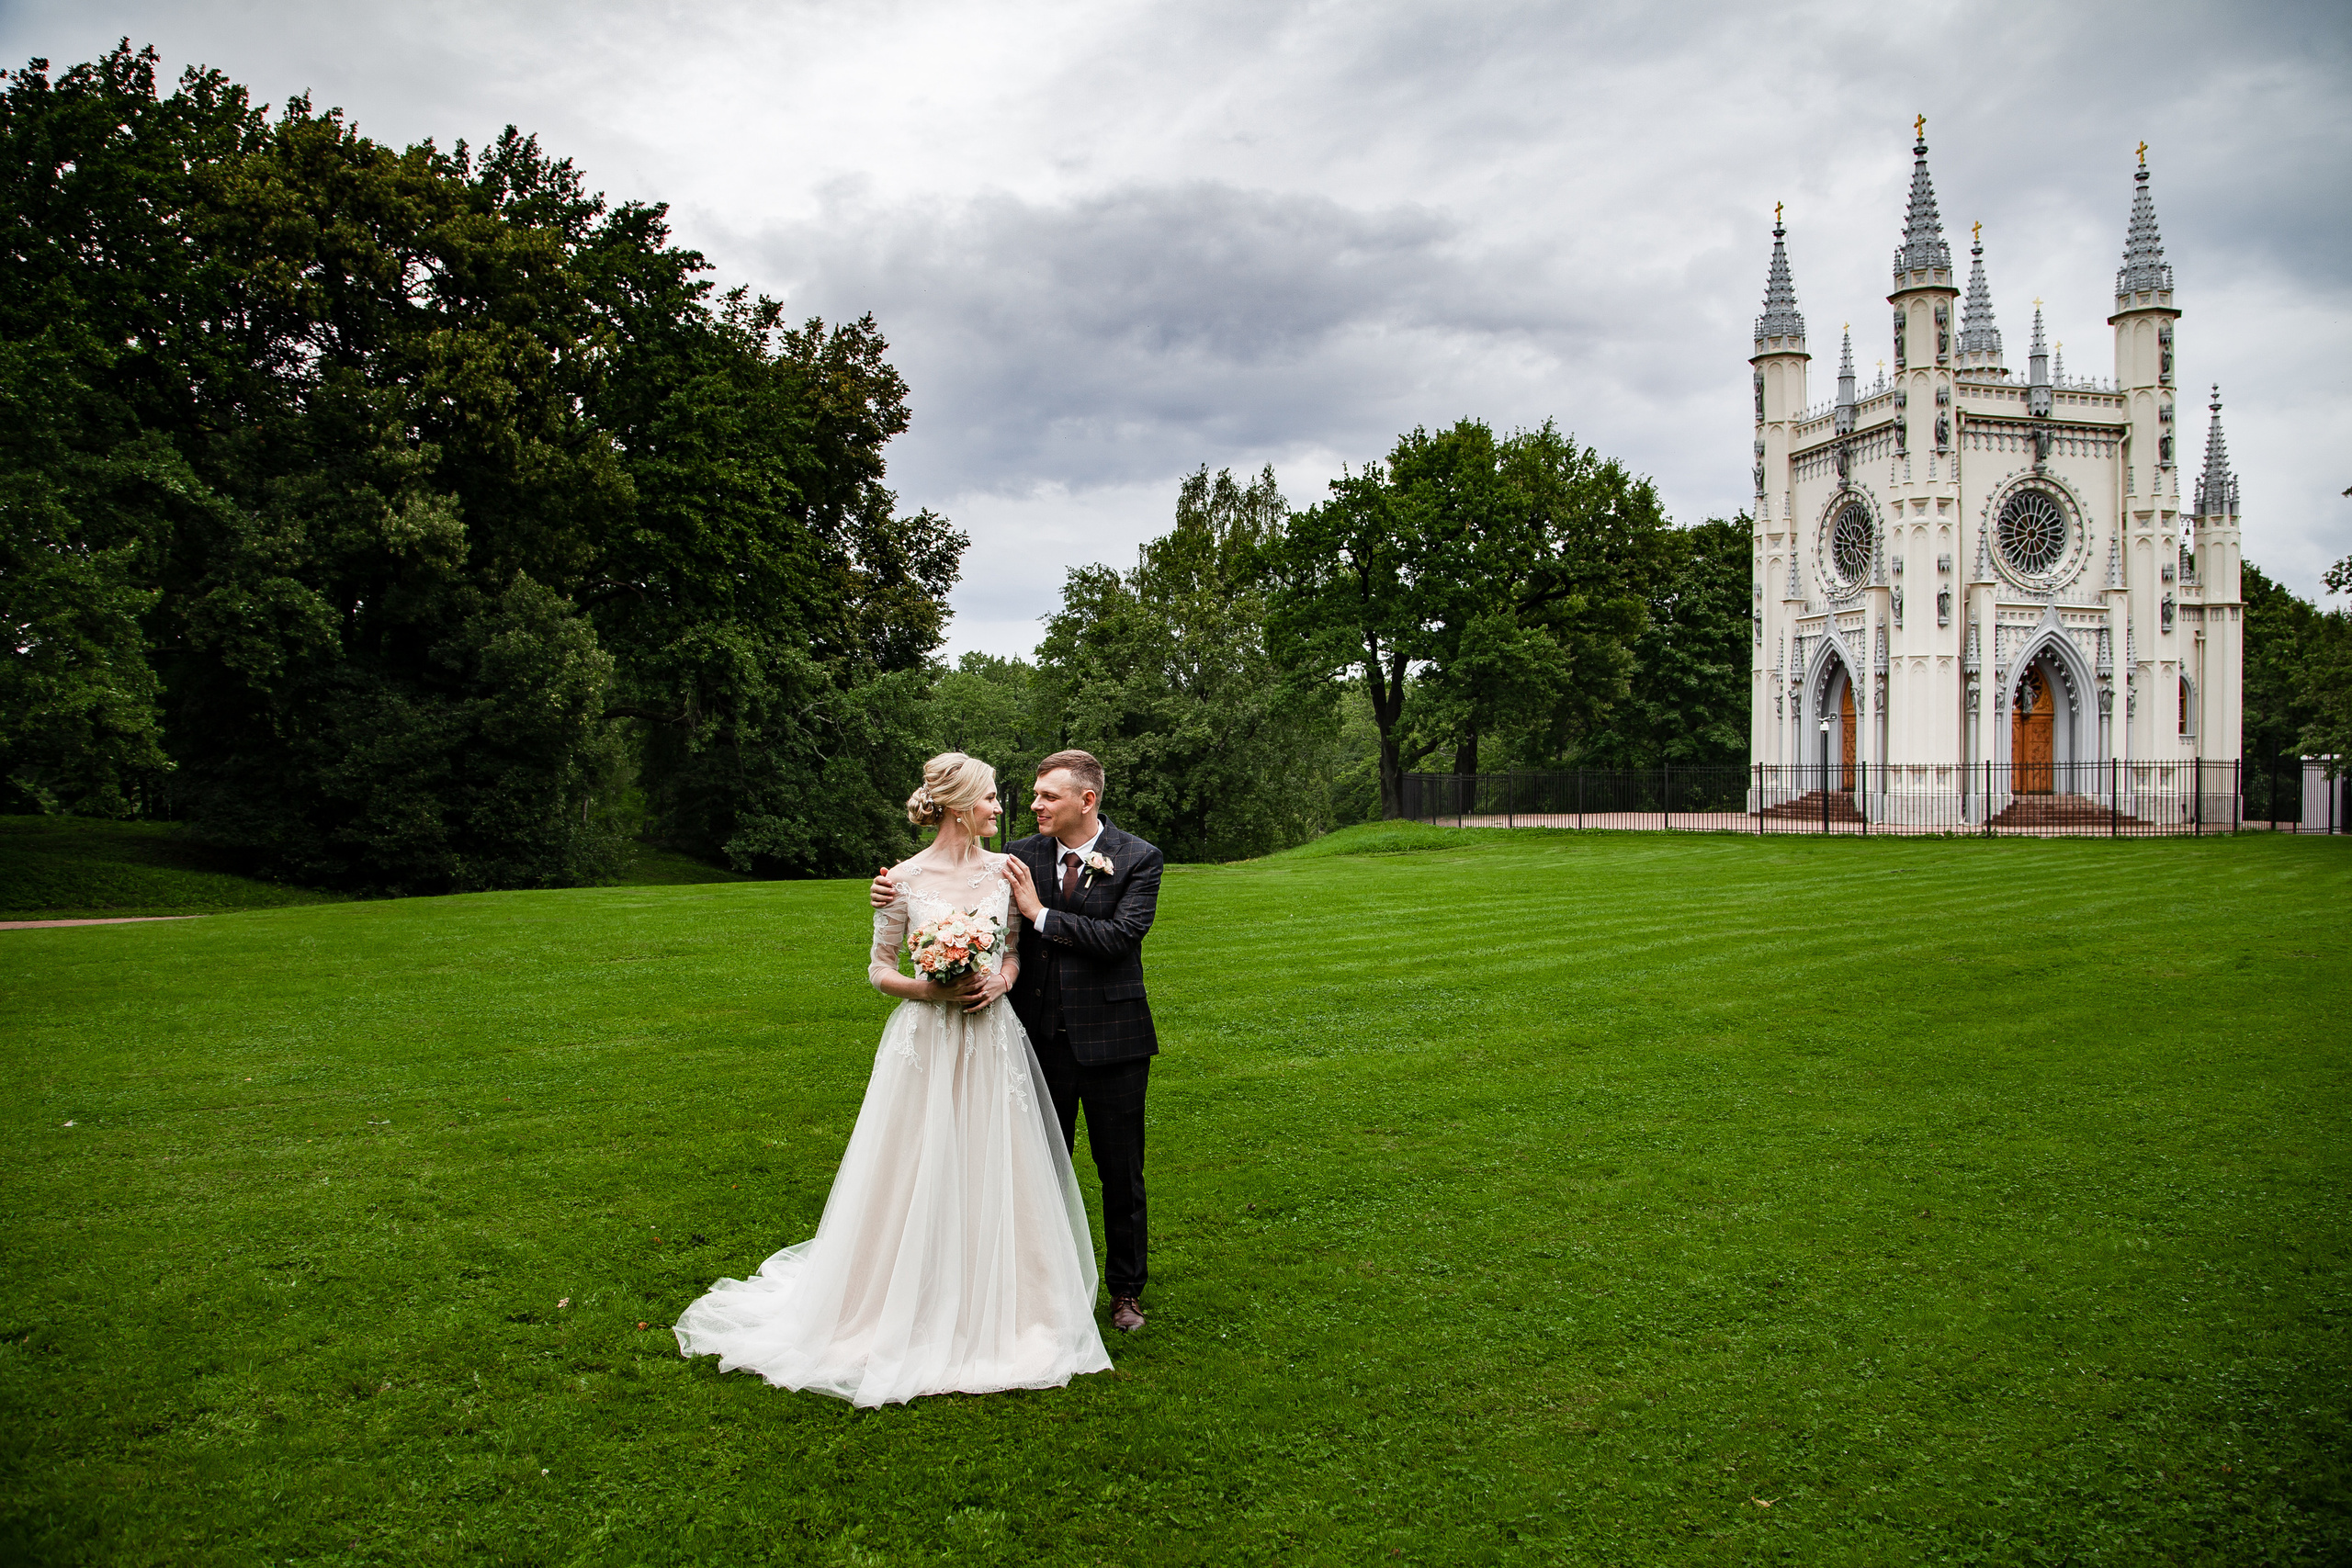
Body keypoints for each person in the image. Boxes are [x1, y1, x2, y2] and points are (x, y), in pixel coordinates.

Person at [673, 752, 1112, 1405]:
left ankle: (1011, 1308)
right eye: (991, 798)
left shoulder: (1007, 870)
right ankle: (897, 1302)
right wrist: (927, 989)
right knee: (912, 1165)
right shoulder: (900, 880)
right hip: (926, 1042)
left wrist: (1000, 979)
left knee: (993, 1163)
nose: (1002, 808)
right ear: (961, 804)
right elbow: (879, 968)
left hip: (991, 1041)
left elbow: (1015, 950)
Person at [871, 750, 1163, 1334]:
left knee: (1121, 1171)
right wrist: (891, 888)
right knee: (1032, 1164)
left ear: (1087, 800)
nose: (1031, 806)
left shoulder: (1138, 858)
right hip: (1033, 1036)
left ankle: (1126, 1293)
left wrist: (1036, 914)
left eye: (1047, 796)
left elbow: (1120, 937)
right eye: (1028, 794)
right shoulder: (1017, 856)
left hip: (1113, 1038)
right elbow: (946, 887)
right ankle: (1040, 1281)